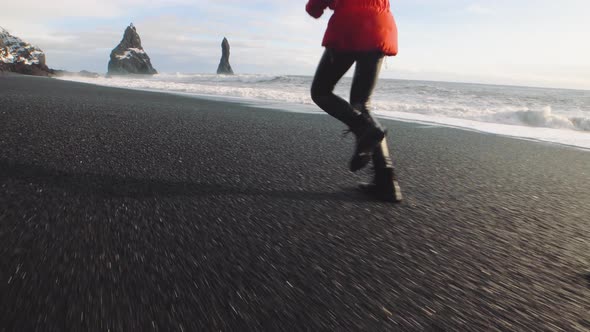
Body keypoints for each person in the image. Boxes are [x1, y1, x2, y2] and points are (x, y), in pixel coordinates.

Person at [306, 0, 402, 202]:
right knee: (361, 103)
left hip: (349, 26)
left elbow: (314, 8)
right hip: (381, 25)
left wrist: (314, 8)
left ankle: (363, 127)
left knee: (321, 92)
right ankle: (387, 183)